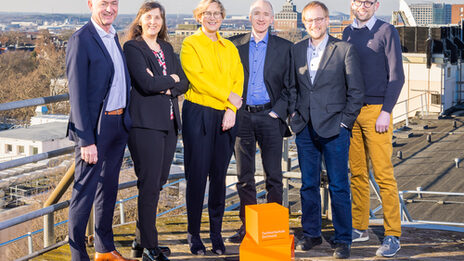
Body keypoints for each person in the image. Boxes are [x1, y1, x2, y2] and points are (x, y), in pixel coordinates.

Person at [289, 1, 364, 259]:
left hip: (335, 129)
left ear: (327, 20)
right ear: (304, 23)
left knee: (339, 185)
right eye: (309, 20)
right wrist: (293, 116)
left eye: (318, 19)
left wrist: (345, 123)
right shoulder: (296, 50)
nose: (314, 24)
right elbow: (291, 87)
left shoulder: (344, 49)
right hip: (305, 128)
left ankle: (343, 239)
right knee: (308, 184)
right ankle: (311, 233)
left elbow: (356, 91)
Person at [65, 0, 135, 260]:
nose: (109, 8)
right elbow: (77, 95)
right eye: (103, 3)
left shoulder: (115, 36)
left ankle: (105, 248)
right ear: (91, 4)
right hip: (95, 130)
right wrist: (85, 140)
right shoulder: (81, 39)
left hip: (118, 125)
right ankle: (77, 254)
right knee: (84, 192)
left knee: (109, 188)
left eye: (114, 3)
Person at [123, 2, 189, 261]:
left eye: (158, 18)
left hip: (170, 125)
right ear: (140, 20)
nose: (153, 22)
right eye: (148, 17)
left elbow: (184, 81)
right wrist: (168, 80)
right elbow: (146, 83)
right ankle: (151, 247)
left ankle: (140, 241)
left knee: (157, 183)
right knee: (149, 185)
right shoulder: (132, 48)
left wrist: (170, 83)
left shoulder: (168, 48)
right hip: (145, 126)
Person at [180, 0, 244, 256]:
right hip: (199, 114)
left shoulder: (230, 47)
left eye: (217, 14)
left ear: (222, 18)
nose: (213, 18)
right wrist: (229, 98)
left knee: (219, 177)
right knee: (196, 176)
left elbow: (239, 77)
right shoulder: (190, 44)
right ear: (199, 16)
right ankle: (194, 234)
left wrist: (232, 109)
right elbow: (199, 79)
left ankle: (215, 234)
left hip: (226, 116)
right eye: (208, 13)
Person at [226, 0, 293, 244]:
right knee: (244, 176)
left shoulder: (285, 48)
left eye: (266, 14)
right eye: (257, 13)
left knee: (273, 175)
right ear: (249, 17)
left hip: (270, 116)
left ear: (272, 18)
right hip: (242, 117)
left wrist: (278, 112)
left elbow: (290, 86)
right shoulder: (234, 45)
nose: (261, 18)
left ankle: (273, 228)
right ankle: (248, 227)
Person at [343, 0, 405, 257]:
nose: (363, 6)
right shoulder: (347, 32)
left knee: (384, 175)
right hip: (352, 112)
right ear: (352, 4)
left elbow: (397, 76)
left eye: (368, 2)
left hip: (377, 112)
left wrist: (386, 112)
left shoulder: (386, 31)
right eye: (359, 1)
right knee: (357, 174)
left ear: (376, 5)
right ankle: (360, 227)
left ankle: (393, 234)